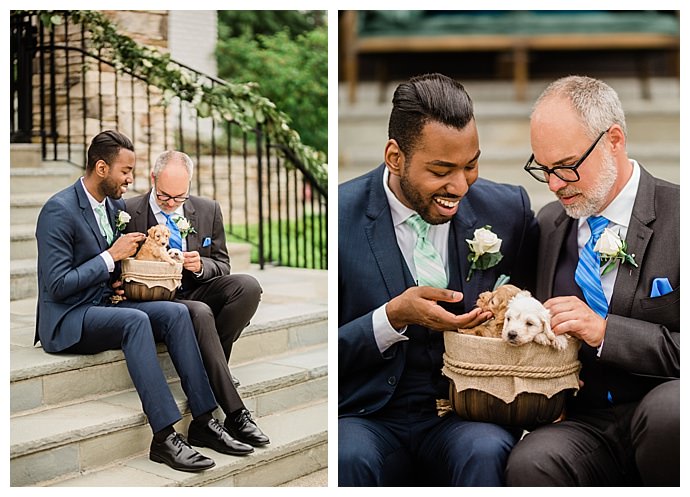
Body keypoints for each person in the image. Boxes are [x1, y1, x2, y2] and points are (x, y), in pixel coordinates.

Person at [338, 73, 540, 486]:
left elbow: (535, 308)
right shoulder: (339, 217)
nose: (460, 185)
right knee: (347, 459)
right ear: (395, 157)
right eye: (442, 170)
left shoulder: (509, 211)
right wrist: (390, 318)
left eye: (471, 164)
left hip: (468, 413)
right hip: (366, 414)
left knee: (487, 450)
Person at [34, 130, 253, 473]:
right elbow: (58, 285)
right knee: (135, 322)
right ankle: (164, 436)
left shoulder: (113, 206)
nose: (131, 180)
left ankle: (204, 420)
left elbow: (115, 268)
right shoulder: (58, 210)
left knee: (179, 312)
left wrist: (121, 276)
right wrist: (110, 258)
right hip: (70, 317)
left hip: (107, 302)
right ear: (102, 168)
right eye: (126, 171)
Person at [506, 76, 679, 486]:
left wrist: (605, 332)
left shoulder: (680, 216)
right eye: (543, 168)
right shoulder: (549, 224)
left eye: (566, 167)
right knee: (530, 462)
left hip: (663, 409)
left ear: (614, 140)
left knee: (673, 414)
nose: (553, 185)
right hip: (583, 423)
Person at [124, 150, 269, 448]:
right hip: (157, 299)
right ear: (153, 179)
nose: (172, 203)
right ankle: (236, 413)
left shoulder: (207, 209)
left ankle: (211, 364)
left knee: (248, 287)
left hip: (195, 288)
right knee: (200, 312)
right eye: (165, 197)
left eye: (180, 197)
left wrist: (201, 266)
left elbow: (223, 264)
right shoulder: (128, 212)